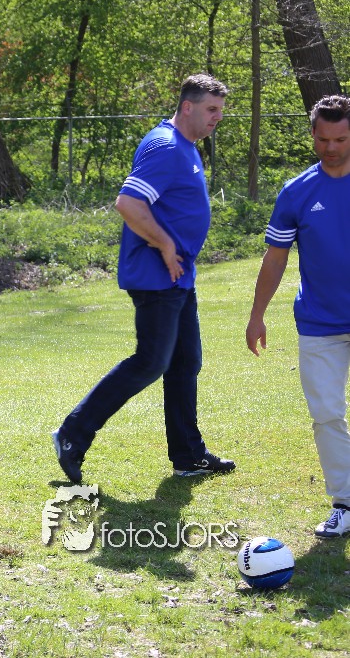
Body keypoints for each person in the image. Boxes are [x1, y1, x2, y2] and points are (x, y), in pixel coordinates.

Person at [51, 74, 236, 484]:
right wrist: (166, 245)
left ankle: (188, 455)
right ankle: (72, 435)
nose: (217, 117)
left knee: (185, 362)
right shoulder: (165, 145)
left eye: (220, 110)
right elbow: (129, 203)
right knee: (151, 361)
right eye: (211, 109)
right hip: (156, 275)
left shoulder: (185, 146)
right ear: (187, 106)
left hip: (177, 277)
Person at [246, 94, 350, 538]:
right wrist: (257, 315)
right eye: (324, 139)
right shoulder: (296, 192)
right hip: (319, 323)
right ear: (312, 135)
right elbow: (276, 258)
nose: (332, 148)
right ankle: (345, 503)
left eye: (341, 139)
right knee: (326, 414)